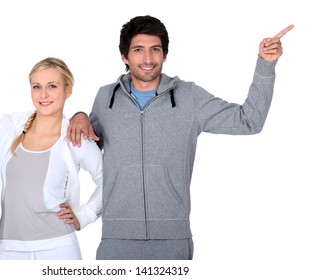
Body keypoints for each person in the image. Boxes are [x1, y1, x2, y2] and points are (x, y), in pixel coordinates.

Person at [67, 15, 294, 260]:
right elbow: (83, 145)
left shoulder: (189, 97)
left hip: (172, 239)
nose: (147, 59)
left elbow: (249, 121)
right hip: (116, 238)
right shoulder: (105, 98)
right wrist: (78, 115)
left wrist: (265, 65)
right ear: (124, 56)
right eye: (138, 50)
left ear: (164, 54)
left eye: (155, 50)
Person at [0, 57, 103, 260]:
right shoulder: (8, 129)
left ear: (68, 90)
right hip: (9, 249)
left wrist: (83, 216)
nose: (43, 95)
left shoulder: (76, 138)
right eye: (36, 87)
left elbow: (109, 182)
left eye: (52, 86)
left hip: (59, 248)